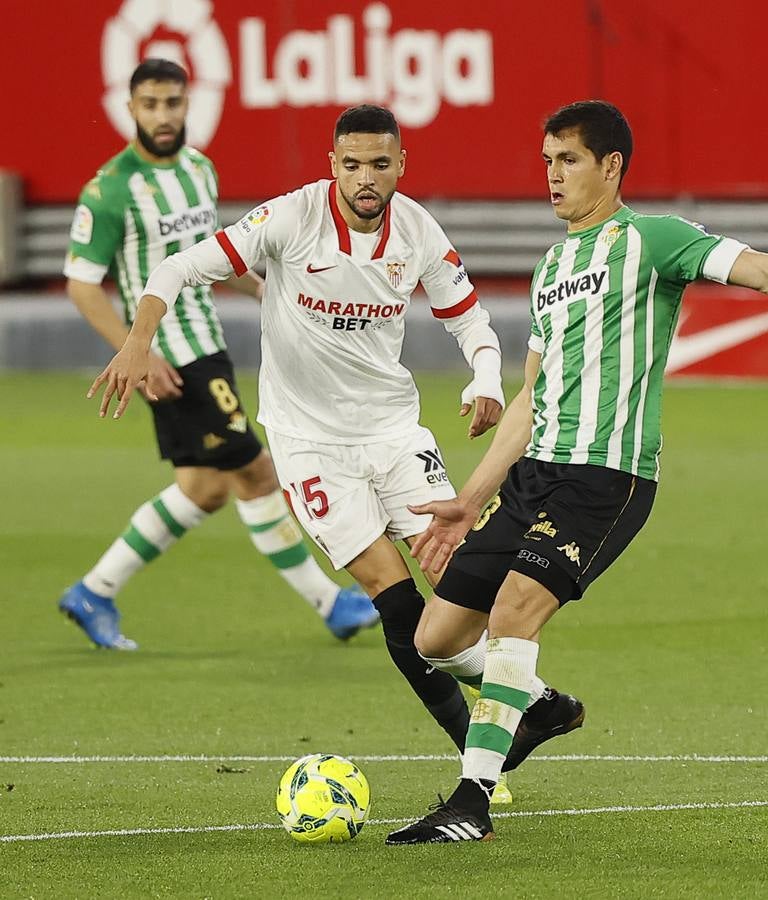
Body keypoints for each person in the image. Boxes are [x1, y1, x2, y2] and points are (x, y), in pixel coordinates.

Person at [381, 99, 768, 844]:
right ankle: (539, 706)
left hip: (606, 476)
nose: (553, 177)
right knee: (437, 636)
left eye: (568, 161)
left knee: (514, 613)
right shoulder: (553, 266)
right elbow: (532, 395)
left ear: (611, 165)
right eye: (547, 163)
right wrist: (470, 499)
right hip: (535, 476)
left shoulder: (652, 239)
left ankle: (472, 800)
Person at [87, 104, 529, 802]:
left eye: (379, 164)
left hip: (393, 432)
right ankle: (485, 755)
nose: (364, 178)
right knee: (398, 605)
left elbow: (468, 316)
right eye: (351, 164)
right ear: (332, 165)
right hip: (311, 446)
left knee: (462, 586)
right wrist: (139, 340)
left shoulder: (416, 230)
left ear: (400, 166)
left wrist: (483, 376)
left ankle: (521, 702)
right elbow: (176, 267)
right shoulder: (289, 220)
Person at [59, 59, 378, 650]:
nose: (163, 115)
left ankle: (94, 590)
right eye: (150, 104)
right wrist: (136, 350)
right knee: (256, 472)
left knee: (206, 487)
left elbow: (203, 255)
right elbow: (81, 283)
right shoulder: (109, 191)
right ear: (129, 108)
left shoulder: (200, 170)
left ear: (188, 104)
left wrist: (259, 285)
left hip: (208, 342)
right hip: (173, 359)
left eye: (172, 102)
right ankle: (329, 602)